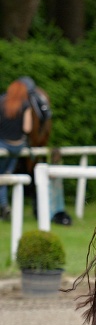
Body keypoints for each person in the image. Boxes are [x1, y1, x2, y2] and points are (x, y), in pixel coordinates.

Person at [0, 77, 34, 221]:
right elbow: (27, 128)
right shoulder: (25, 104)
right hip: (17, 147)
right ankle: (4, 206)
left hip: (2, 145)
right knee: (6, 174)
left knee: (1, 176)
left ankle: (4, 205)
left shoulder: (2, 101)